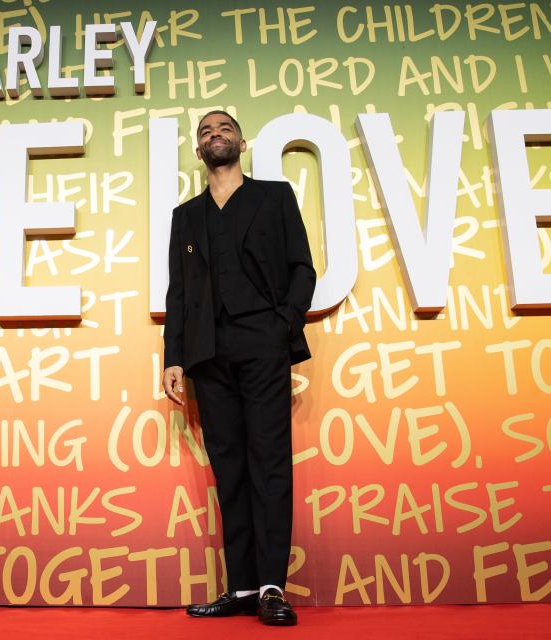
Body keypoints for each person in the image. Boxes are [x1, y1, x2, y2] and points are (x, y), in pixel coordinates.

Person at [162, 111, 316, 626]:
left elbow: (302, 267)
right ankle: (243, 587)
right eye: (206, 132)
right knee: (229, 469)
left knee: (267, 463)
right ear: (199, 150)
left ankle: (273, 586)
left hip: (263, 344)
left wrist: (282, 325)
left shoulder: (274, 197)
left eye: (224, 128)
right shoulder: (186, 216)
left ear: (242, 143)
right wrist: (175, 358)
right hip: (208, 355)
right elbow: (178, 294)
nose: (215, 135)